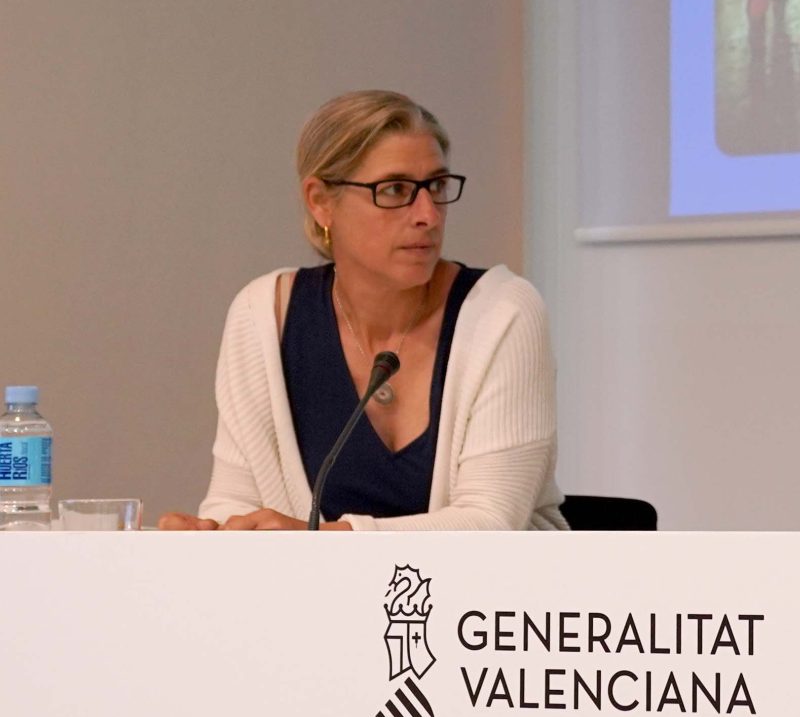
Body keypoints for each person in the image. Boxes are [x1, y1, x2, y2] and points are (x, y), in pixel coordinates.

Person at [159, 91, 567, 531]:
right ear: (320, 201)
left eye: (436, 186)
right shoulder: (262, 316)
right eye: (394, 190)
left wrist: (323, 539)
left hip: (487, 580)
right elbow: (235, 499)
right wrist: (214, 533)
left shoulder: (503, 313)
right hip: (317, 579)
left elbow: (491, 522)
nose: (428, 215)